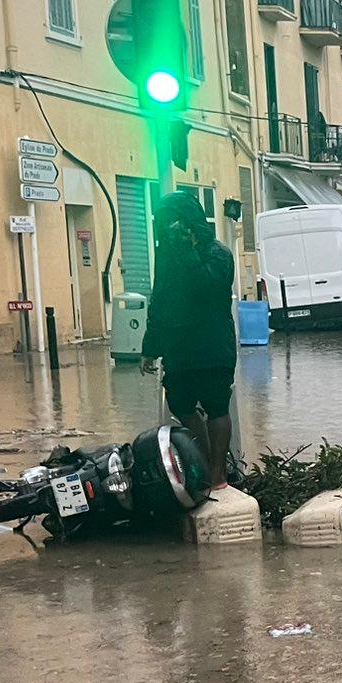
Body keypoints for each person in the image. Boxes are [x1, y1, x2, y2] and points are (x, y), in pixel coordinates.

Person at [142, 191, 237, 488]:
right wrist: (150, 347)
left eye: (176, 222)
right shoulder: (168, 258)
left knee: (217, 406)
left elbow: (205, 287)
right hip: (179, 348)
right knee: (180, 403)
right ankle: (208, 462)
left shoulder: (218, 254)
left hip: (212, 347)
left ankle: (218, 474)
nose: (171, 229)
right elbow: (159, 301)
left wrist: (187, 251)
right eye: (166, 223)